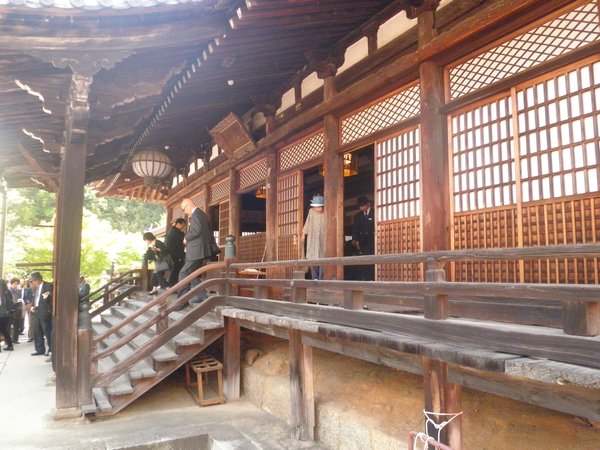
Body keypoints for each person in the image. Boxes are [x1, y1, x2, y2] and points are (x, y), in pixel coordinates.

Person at [177, 198, 215, 308]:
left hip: (196, 250)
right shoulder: (201, 214)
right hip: (200, 250)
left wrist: (186, 237)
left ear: (189, 205)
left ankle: (182, 302)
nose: (185, 212)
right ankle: (202, 295)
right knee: (192, 274)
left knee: (183, 273)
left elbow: (196, 230)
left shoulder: (196, 214)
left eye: (184, 209)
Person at [301, 195, 326, 280]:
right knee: (312, 257)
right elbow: (307, 222)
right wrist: (303, 234)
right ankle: (314, 277)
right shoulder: (311, 211)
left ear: (322, 206)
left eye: (318, 207)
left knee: (323, 257)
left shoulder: (327, 211)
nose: (316, 209)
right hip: (313, 237)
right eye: (315, 207)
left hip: (323, 237)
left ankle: (321, 278)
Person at [28, 271, 53, 356]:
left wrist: (48, 293)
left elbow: (50, 294)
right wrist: (32, 306)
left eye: (34, 281)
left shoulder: (48, 285)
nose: (33, 282)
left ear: (39, 279)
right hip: (36, 311)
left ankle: (51, 349)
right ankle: (39, 350)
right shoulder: (36, 287)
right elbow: (35, 298)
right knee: (37, 331)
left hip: (45, 311)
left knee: (47, 330)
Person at [352, 195, 375, 281]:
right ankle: (365, 279)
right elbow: (355, 229)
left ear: (367, 204)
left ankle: (372, 279)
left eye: (362, 206)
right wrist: (355, 239)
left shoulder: (375, 212)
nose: (361, 208)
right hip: (362, 242)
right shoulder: (358, 216)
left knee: (372, 261)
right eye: (360, 207)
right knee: (364, 261)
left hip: (373, 241)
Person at [165, 218, 186, 287]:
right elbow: (180, 244)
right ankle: (172, 286)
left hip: (173, 255)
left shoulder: (172, 231)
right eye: (183, 225)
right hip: (175, 255)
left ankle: (173, 286)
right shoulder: (175, 233)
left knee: (175, 271)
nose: (183, 226)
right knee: (175, 271)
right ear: (178, 224)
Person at [0, 279, 15, 351]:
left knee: (4, 330)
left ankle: (9, 345)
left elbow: (9, 303)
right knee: (4, 330)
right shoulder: (7, 292)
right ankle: (10, 345)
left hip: (4, 314)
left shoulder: (6, 292)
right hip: (5, 314)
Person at [9, 278, 24, 344]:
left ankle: (15, 339)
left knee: (16, 325)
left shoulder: (19, 290)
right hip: (9, 309)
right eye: (15, 284)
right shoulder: (8, 290)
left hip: (16, 308)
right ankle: (8, 340)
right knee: (8, 325)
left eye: (17, 284)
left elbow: (20, 299)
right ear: (11, 283)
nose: (16, 285)